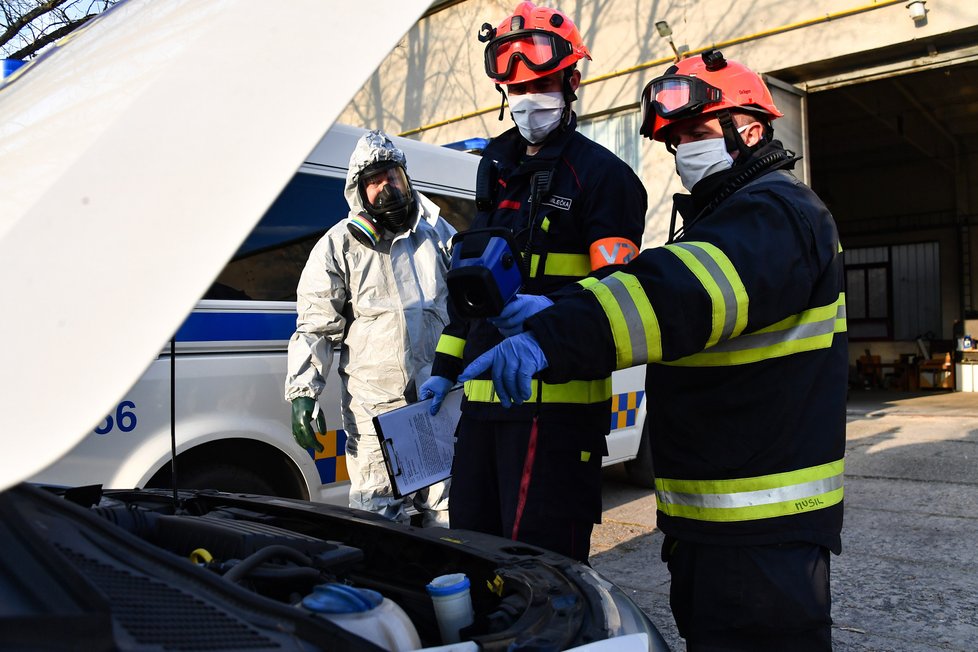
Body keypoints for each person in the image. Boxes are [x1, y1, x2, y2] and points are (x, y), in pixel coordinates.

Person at [459, 49, 847, 650]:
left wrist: (553, 334)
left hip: (763, 534)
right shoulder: (730, 217)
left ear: (750, 128)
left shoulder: (777, 212)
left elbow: (674, 297)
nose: (682, 149)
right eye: (673, 139)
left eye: (694, 131)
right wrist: (560, 310)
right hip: (715, 523)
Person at [420, 1, 647, 563]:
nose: (528, 101)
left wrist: (550, 312)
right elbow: (470, 292)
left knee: (543, 565)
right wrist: (444, 369)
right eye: (516, 89)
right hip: (481, 405)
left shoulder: (604, 178)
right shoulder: (493, 168)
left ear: (571, 83)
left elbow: (616, 293)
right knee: (473, 551)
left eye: (542, 83)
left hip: (557, 407)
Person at [285, 129, 454, 527]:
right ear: (359, 193)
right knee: (377, 512)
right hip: (376, 408)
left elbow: (467, 308)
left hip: (435, 397)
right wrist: (303, 391)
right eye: (373, 182)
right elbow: (315, 325)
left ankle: (448, 584)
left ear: (406, 179)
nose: (385, 189)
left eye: (391, 177)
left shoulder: (437, 236)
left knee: (446, 508)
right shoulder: (339, 245)